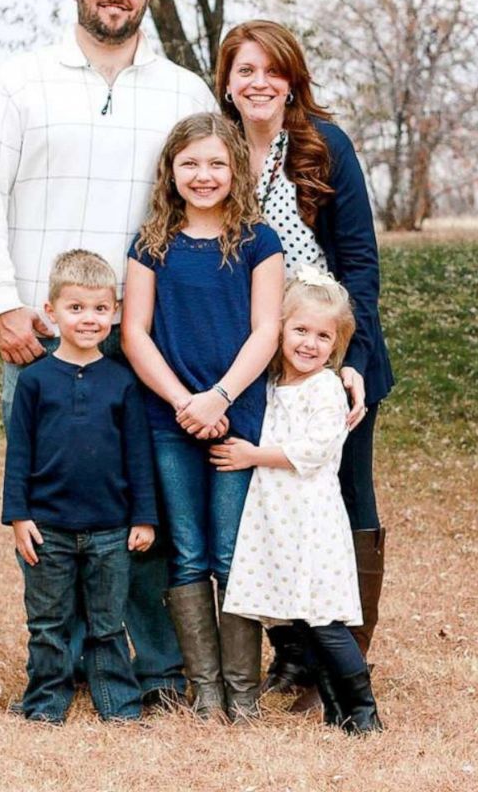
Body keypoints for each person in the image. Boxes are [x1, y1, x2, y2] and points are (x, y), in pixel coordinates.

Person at [0, 0, 215, 706]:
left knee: (145, 508)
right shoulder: (19, 82)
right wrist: (2, 302)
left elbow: (209, 202)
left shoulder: (182, 92)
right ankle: (58, 665)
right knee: (49, 505)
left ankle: (155, 666)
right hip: (41, 341)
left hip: (143, 341)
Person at [215, 20, 394, 705]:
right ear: (226, 83)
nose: (257, 82)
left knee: (344, 496)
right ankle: (290, 654)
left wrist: (354, 359)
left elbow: (359, 263)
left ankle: (345, 660)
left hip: (330, 349)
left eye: (271, 69)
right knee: (271, 499)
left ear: (291, 79)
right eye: (243, 70)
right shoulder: (217, 149)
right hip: (256, 356)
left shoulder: (323, 147)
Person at [122, 112, 284, 721]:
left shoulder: (257, 240)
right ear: (170, 170)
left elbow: (266, 328)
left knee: (231, 551)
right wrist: (183, 402)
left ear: (235, 169)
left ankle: (242, 693)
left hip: (237, 415)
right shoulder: (151, 243)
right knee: (187, 551)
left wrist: (218, 397)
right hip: (170, 420)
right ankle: (206, 688)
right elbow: (135, 333)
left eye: (216, 162)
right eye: (190, 163)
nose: (204, 174)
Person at [213, 271, 383, 734]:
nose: (309, 343)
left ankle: (364, 711)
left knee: (324, 618)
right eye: (300, 330)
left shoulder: (325, 388)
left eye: (323, 336)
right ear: (280, 329)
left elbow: (315, 450)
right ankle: (335, 708)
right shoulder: (271, 386)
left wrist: (251, 456)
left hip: (311, 520)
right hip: (277, 518)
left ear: (337, 344)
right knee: (300, 622)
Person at [2, 250, 157, 723]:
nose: (88, 319)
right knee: (48, 623)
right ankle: (46, 703)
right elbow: (19, 454)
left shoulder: (123, 382)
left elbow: (138, 455)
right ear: (51, 312)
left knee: (108, 624)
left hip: (111, 528)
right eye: (76, 308)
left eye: (99, 308)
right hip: (48, 528)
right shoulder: (34, 382)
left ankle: (119, 704)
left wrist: (144, 516)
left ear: (114, 312)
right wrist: (18, 516)